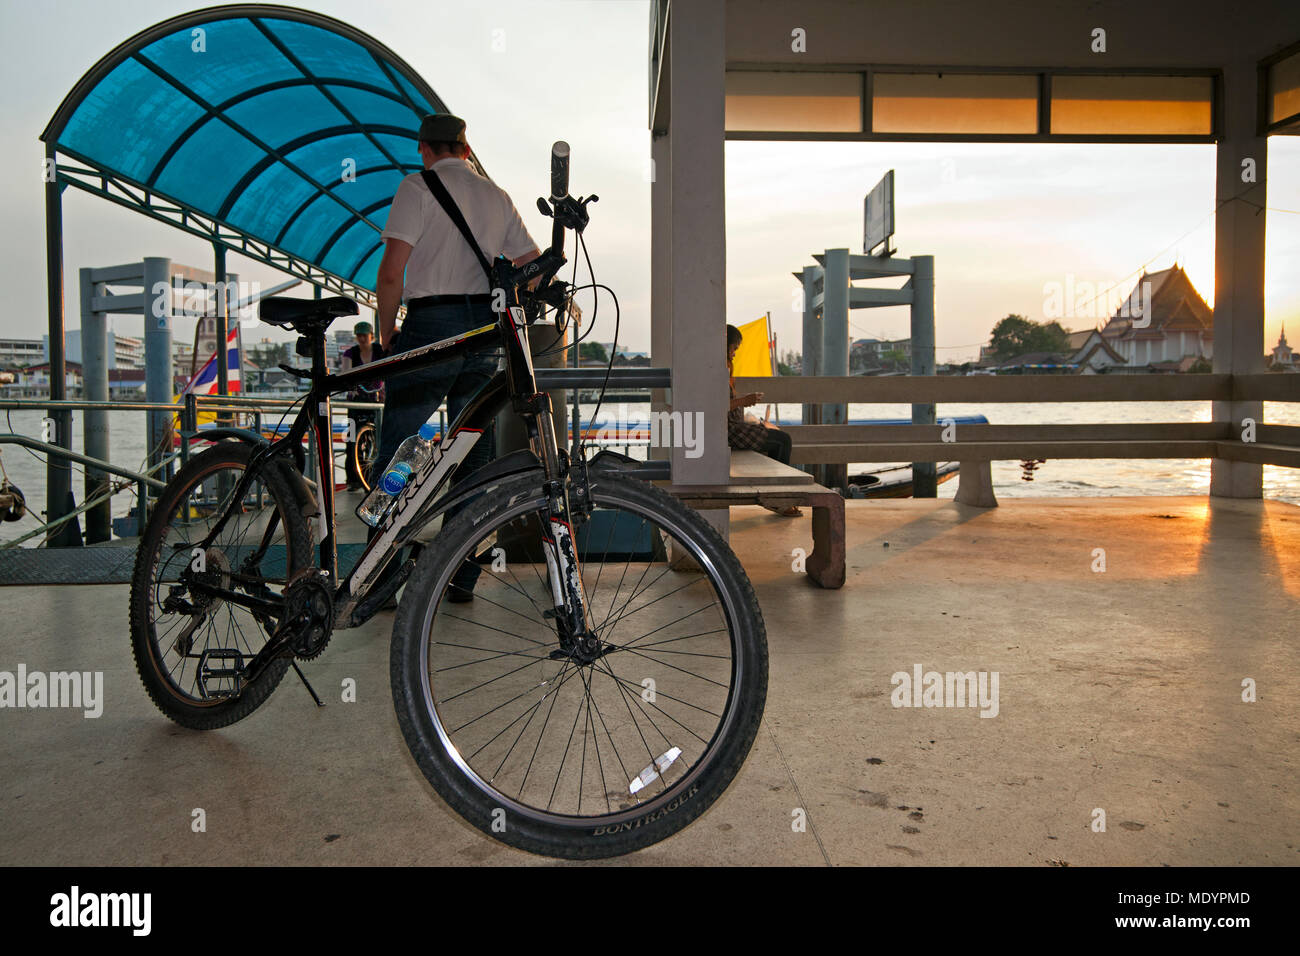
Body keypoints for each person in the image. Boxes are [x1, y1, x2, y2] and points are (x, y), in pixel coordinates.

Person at [373, 113, 541, 600]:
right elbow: (532, 268)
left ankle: (381, 580)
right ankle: (459, 574)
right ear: (467, 151)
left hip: (430, 326)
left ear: (423, 149)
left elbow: (390, 274)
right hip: (485, 332)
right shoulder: (496, 195)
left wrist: (388, 336)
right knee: (472, 453)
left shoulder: (416, 187)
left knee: (398, 452)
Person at [727, 324, 801, 517]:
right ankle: (778, 499)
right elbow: (714, 406)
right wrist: (745, 401)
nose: (734, 354)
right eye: (734, 348)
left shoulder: (720, 370)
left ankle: (777, 497)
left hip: (731, 427)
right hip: (729, 431)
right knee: (782, 440)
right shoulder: (718, 371)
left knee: (776, 437)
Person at [340, 321, 385, 490]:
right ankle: (352, 479)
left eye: (364, 335)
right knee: (351, 439)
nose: (361, 338)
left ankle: (374, 477)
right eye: (359, 335)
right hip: (357, 399)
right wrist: (349, 385)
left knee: (378, 437)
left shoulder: (379, 351)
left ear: (371, 336)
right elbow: (345, 371)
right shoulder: (351, 353)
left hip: (376, 398)